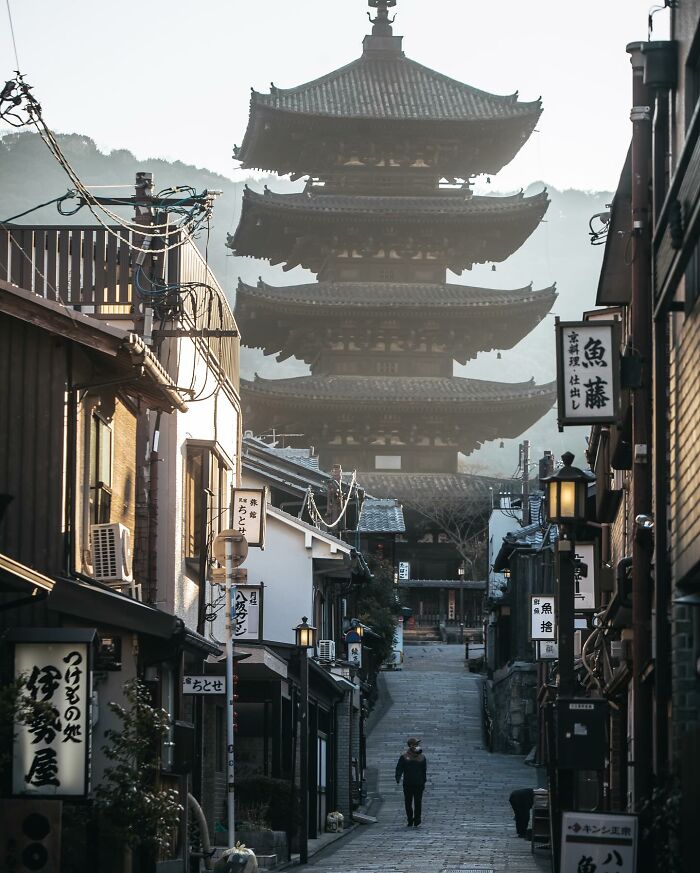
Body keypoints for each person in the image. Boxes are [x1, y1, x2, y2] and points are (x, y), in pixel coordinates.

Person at [395, 737, 427, 827]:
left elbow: (424, 770)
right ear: (411, 746)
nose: (418, 746)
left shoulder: (422, 757)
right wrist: (398, 777)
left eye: (418, 744)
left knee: (418, 802)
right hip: (408, 783)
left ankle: (417, 819)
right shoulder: (404, 757)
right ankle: (410, 819)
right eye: (416, 744)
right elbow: (399, 768)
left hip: (419, 783)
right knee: (408, 802)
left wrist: (424, 780)